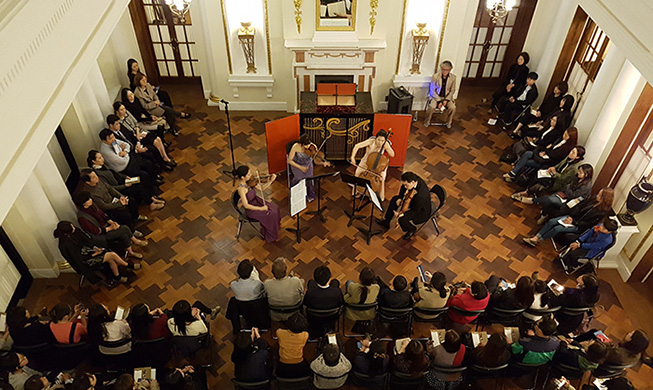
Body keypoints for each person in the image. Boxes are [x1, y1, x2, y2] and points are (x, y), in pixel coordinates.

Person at [524, 188, 614, 246]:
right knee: (552, 221)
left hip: (578, 226)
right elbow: (579, 207)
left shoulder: (602, 213)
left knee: (557, 229)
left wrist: (573, 222)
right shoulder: (592, 200)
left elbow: (588, 224)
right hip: (572, 218)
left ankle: (538, 240)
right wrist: (571, 217)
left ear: (604, 198)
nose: (597, 195)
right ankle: (536, 237)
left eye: (600, 195)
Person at [72, 192, 146, 257]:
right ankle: (135, 241)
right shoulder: (82, 217)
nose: (90, 199)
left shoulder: (92, 205)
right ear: (84, 203)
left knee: (123, 234)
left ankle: (131, 252)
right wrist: (111, 228)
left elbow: (103, 215)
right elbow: (96, 231)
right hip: (101, 235)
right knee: (124, 228)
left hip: (107, 227)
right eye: (88, 199)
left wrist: (112, 222)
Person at [87, 150, 163, 210]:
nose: (102, 159)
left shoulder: (102, 166)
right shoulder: (98, 174)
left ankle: (151, 198)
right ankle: (151, 204)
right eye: (99, 158)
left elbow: (114, 173)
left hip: (122, 182)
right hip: (119, 188)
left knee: (141, 178)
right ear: (94, 161)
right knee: (139, 186)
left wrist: (125, 176)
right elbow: (111, 187)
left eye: (102, 157)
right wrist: (124, 186)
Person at [511, 146, 586, 202]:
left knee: (540, 180)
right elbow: (559, 165)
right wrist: (553, 168)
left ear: (577, 157)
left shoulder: (574, 168)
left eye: (573, 153)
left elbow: (564, 179)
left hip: (558, 183)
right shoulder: (568, 158)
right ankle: (527, 191)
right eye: (571, 150)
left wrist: (554, 173)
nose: (570, 153)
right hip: (554, 175)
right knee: (538, 173)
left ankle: (527, 192)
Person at [113, 102, 176, 169]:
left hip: (139, 132)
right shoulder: (119, 122)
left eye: (124, 109)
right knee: (155, 142)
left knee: (158, 139)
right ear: (117, 111)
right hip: (136, 137)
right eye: (121, 110)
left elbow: (136, 123)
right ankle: (163, 161)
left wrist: (138, 133)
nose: (124, 111)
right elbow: (129, 133)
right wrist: (137, 136)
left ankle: (165, 157)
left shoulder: (127, 113)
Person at [75, 168, 143, 229]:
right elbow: (104, 206)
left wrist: (121, 197)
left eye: (95, 175)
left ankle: (136, 217)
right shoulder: (90, 193)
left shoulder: (99, 181)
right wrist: (120, 203)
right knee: (125, 216)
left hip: (113, 199)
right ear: (88, 182)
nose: (97, 177)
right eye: (93, 177)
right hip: (109, 208)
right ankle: (132, 230)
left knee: (131, 201)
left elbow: (110, 189)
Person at [504, 128, 579, 182]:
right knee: (527, 154)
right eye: (565, 133)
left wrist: (547, 151)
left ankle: (514, 174)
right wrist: (546, 151)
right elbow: (550, 148)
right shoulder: (560, 140)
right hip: (544, 155)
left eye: (566, 135)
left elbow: (554, 156)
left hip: (546, 162)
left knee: (526, 161)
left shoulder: (567, 148)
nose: (564, 136)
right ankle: (513, 174)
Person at [376, 171, 431, 240]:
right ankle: (386, 222)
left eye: (406, 185)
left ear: (413, 183)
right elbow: (403, 188)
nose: (405, 186)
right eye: (404, 184)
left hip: (421, 211)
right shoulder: (412, 180)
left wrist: (401, 214)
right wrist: (400, 198)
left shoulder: (421, 195)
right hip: (413, 201)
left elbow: (415, 211)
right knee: (394, 199)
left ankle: (411, 229)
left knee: (402, 219)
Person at [515, 164, 594, 211]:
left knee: (549, 198)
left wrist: (568, 187)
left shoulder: (586, 186)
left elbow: (572, 194)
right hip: (565, 193)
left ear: (586, 174)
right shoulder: (577, 178)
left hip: (570, 201)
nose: (578, 173)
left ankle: (532, 200)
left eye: (581, 172)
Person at [235, 165, 281, 243]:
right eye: (248, 175)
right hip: (252, 209)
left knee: (275, 208)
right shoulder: (241, 189)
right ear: (243, 177)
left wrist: (271, 181)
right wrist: (261, 209)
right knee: (271, 213)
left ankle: (274, 226)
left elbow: (262, 188)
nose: (251, 176)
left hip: (256, 201)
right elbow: (246, 205)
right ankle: (270, 234)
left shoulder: (249, 182)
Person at [350, 129, 395, 200]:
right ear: (376, 138)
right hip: (366, 161)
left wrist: (387, 147)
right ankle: (357, 190)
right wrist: (352, 158)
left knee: (382, 178)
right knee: (357, 173)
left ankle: (379, 196)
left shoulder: (385, 144)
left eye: (382, 141)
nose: (380, 142)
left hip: (378, 165)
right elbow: (357, 146)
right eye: (379, 140)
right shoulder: (370, 142)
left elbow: (392, 154)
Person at [288, 134, 332, 202]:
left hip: (307, 164)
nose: (308, 146)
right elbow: (289, 160)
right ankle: (293, 192)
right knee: (298, 178)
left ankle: (310, 195)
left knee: (310, 179)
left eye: (309, 144)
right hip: (297, 164)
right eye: (306, 145)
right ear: (301, 144)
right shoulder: (295, 147)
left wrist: (323, 163)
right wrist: (300, 167)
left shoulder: (313, 147)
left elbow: (316, 162)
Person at [303, 265, 344, 336]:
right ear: (329, 278)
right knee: (335, 282)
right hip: (331, 317)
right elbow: (341, 303)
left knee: (310, 283)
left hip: (313, 317)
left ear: (315, 279)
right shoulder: (337, 292)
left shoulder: (310, 292)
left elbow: (306, 303)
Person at [276, 313, 310, 378]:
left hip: (283, 363)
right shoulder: (305, 335)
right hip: (299, 362)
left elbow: (279, 330)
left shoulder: (280, 332)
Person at [424, 61, 457, 128]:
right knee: (432, 107)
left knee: (453, 107)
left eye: (446, 70)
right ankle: (427, 121)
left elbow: (452, 90)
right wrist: (439, 101)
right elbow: (432, 90)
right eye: (443, 69)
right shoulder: (435, 77)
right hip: (436, 97)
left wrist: (446, 100)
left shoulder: (453, 77)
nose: (444, 71)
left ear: (450, 70)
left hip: (447, 97)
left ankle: (448, 122)